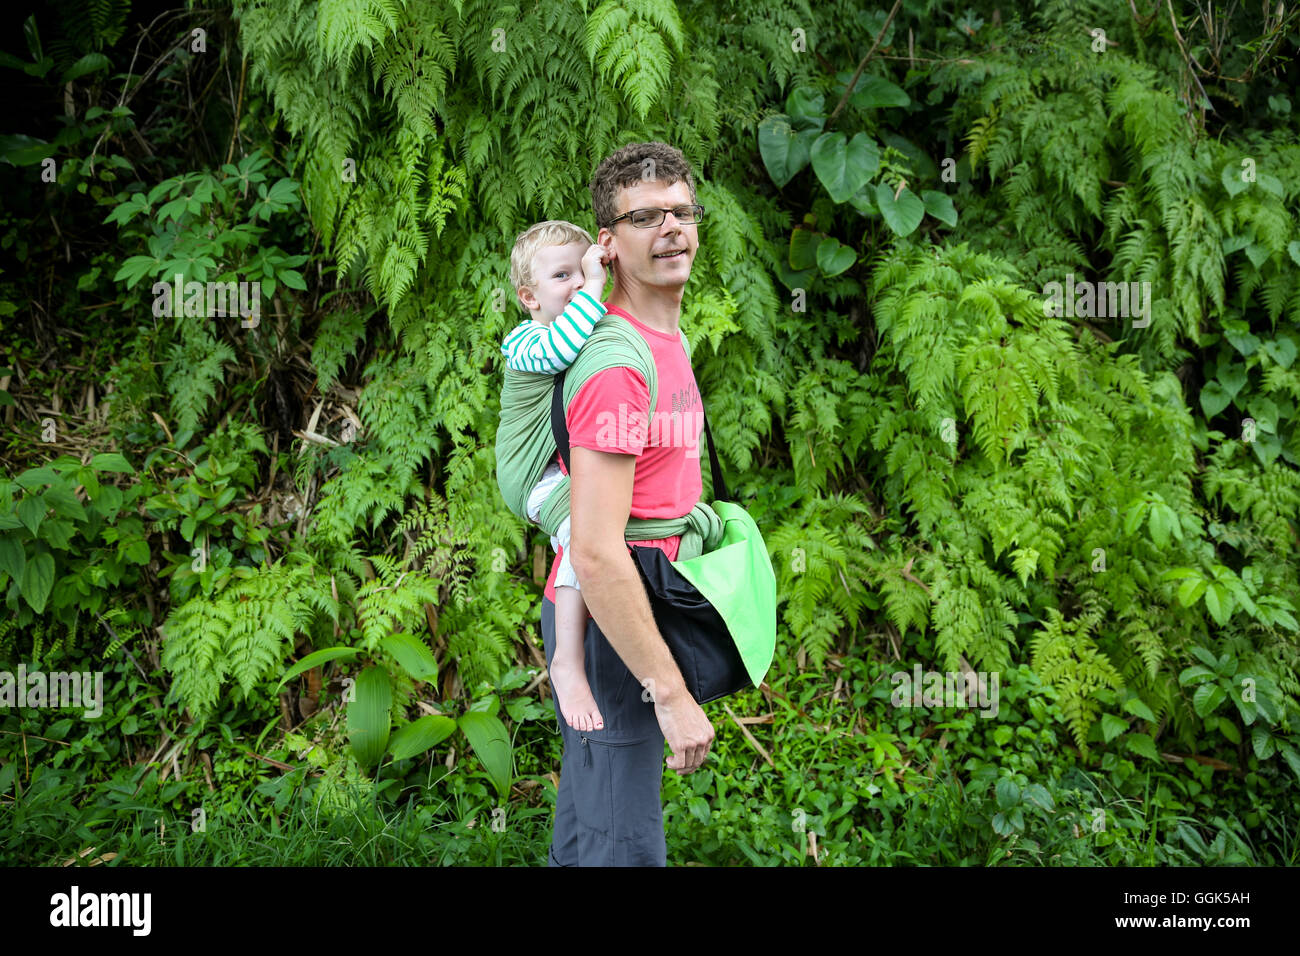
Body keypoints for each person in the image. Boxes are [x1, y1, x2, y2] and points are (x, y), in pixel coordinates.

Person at [540, 141, 715, 866]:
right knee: (625, 846)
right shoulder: (617, 363)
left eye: (681, 210)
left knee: (588, 830)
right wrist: (670, 693)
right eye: (645, 216)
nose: (670, 227)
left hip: (638, 607)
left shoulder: (663, 338)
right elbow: (596, 549)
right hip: (615, 618)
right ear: (607, 245)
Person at [501, 221, 610, 733]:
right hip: (530, 473)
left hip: (565, 464)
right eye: (562, 275)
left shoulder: (581, 323)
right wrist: (593, 285)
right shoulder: (525, 343)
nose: (576, 284)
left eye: (582, 270)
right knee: (583, 531)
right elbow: (563, 351)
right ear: (529, 297)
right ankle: (566, 659)